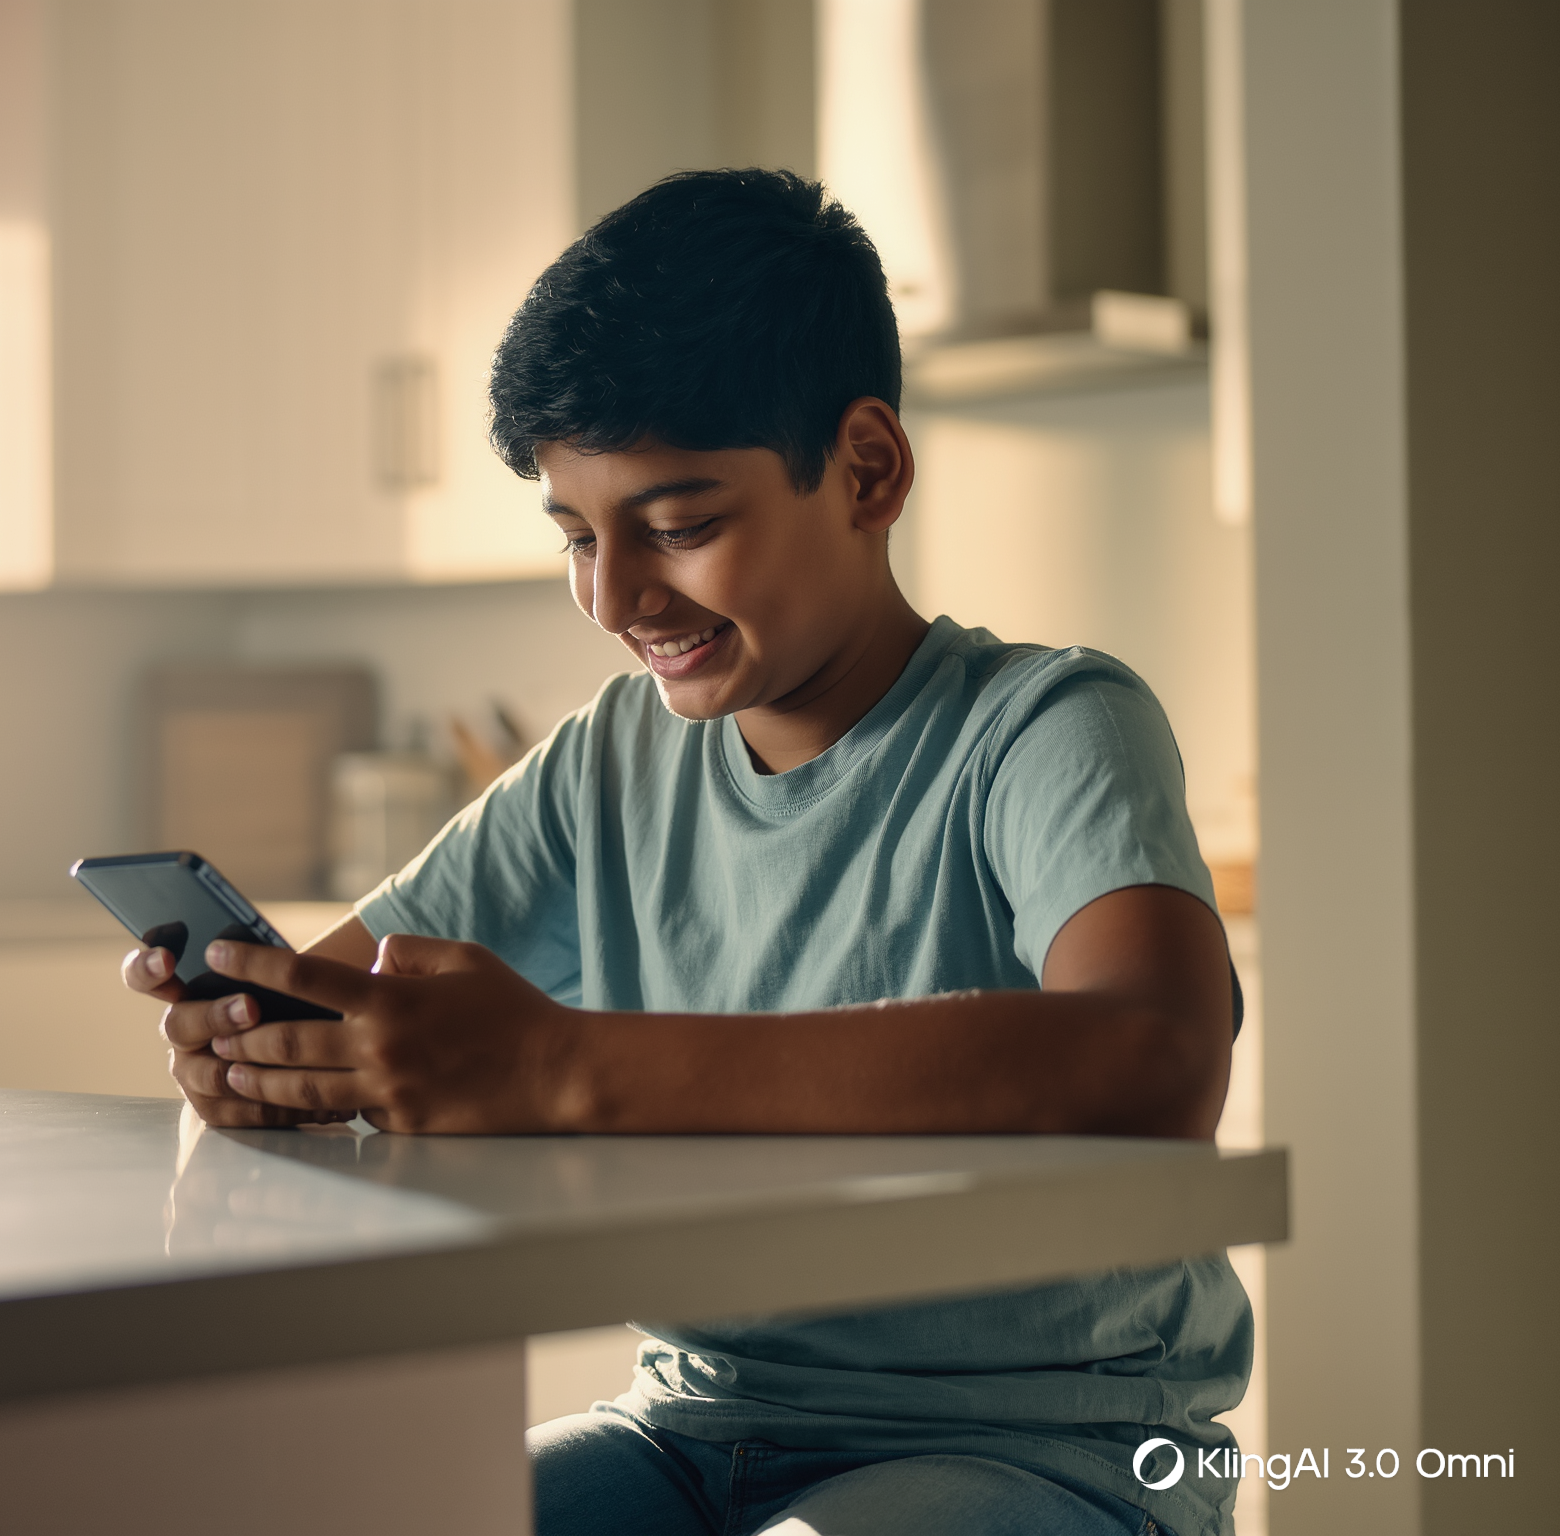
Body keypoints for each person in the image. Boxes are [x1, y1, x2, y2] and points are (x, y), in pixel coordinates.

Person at [118, 169, 1248, 1536]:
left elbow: (1156, 1061)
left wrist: (559, 1068)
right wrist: (272, 1052)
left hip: (1047, 1444)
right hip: (691, 1421)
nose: (614, 598)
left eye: (679, 525)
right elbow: (358, 1000)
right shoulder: (612, 762)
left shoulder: (1048, 727)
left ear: (868, 471)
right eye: (579, 538)